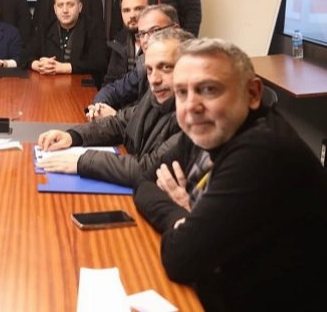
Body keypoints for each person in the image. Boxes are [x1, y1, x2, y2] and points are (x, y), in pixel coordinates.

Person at [134, 38, 327, 310]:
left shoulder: (263, 151)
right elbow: (143, 181)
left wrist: (188, 221)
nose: (191, 106)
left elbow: (180, 258)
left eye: (209, 89)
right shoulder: (204, 127)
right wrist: (182, 217)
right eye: (182, 93)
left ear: (253, 94)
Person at [37, 28, 193, 187]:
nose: (154, 79)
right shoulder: (156, 96)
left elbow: (149, 168)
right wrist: (73, 136)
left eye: (166, 67)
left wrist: (83, 161)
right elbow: (119, 123)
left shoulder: (194, 119)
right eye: (149, 70)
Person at [91, 4, 179, 114]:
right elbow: (114, 90)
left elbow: (153, 116)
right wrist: (98, 108)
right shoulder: (144, 63)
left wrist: (114, 116)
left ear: (175, 30)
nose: (146, 40)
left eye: (154, 31)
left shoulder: (188, 67)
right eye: (142, 34)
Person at [25, 0, 107, 82]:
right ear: (55, 9)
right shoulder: (45, 27)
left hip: (82, 84)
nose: (65, 10)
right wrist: (38, 65)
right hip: (49, 83)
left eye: (70, 5)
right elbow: (25, 55)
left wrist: (64, 68)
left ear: (80, 7)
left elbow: (100, 62)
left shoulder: (94, 28)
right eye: (60, 5)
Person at [104, 0, 152, 85]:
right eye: (126, 10)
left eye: (138, 9)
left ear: (152, 10)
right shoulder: (119, 42)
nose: (132, 15)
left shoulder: (163, 44)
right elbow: (110, 82)